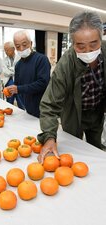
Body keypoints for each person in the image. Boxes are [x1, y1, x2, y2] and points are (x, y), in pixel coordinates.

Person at [37, 11, 106, 164]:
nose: (88, 51)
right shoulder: (66, 63)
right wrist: (49, 137)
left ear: (101, 38)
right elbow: (49, 104)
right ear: (72, 43)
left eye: (93, 44)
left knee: (95, 152)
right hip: (73, 114)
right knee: (72, 155)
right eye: (80, 46)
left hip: (97, 112)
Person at [6, 29, 51, 117]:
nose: (22, 49)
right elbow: (18, 85)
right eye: (18, 46)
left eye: (24, 44)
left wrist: (18, 89)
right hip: (27, 106)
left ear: (31, 43)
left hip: (43, 107)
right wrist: (12, 91)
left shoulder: (41, 59)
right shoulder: (18, 65)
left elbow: (42, 83)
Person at [3, 41, 23, 107]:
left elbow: (20, 70)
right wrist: (14, 70)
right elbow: (5, 72)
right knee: (9, 102)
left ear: (13, 49)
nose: (5, 52)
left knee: (20, 101)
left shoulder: (20, 58)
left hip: (19, 83)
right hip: (9, 82)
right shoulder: (4, 60)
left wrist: (10, 69)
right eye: (5, 50)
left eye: (7, 50)